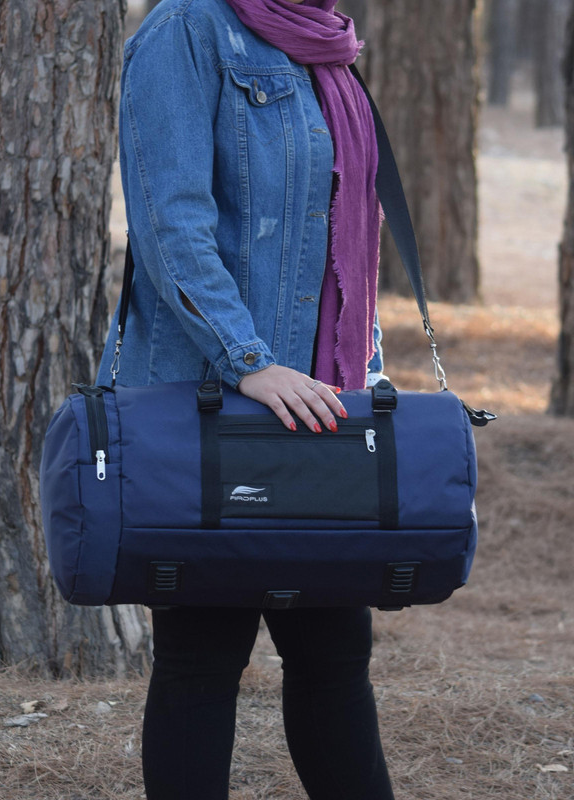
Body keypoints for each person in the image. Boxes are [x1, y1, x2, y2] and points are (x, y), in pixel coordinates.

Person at [96, 1, 395, 797]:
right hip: (211, 404)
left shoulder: (326, 43)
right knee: (203, 657)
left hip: (321, 407)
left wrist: (364, 369)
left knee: (334, 656)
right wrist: (247, 362)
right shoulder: (186, 29)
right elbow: (170, 224)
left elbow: (338, 245)